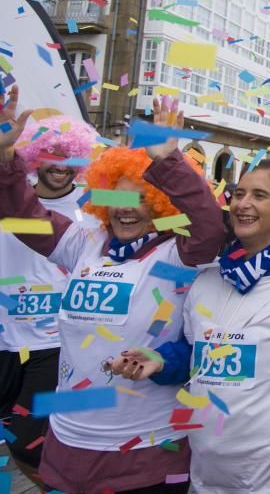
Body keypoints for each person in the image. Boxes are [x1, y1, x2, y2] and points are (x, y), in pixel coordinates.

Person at [0, 90, 227, 493]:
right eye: (118, 196)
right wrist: (4, 160)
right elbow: (23, 215)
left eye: (141, 198)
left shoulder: (177, 253)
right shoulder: (83, 242)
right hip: (71, 441)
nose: (126, 208)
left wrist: (167, 161)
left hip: (147, 446)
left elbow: (209, 226)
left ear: (159, 205)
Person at [109, 160, 270, 493]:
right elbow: (197, 354)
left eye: (260, 195)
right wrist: (159, 360)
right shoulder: (208, 277)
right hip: (208, 475)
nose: (243, 204)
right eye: (238, 194)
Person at [0, 115, 99, 487]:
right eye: (53, 157)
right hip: (6, 334)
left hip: (55, 341)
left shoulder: (98, 199)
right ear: (36, 157)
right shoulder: (10, 192)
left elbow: (151, 206)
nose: (62, 167)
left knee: (29, 442)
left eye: (71, 158)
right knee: (11, 429)